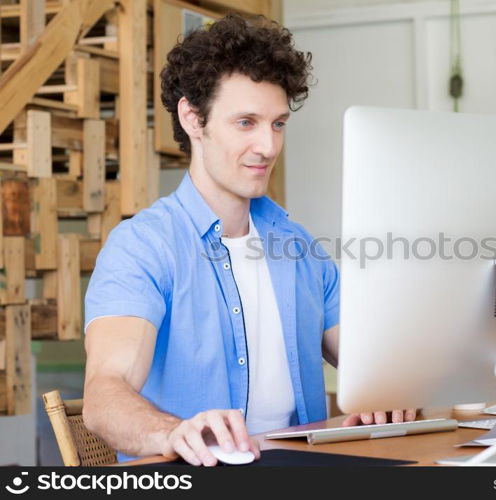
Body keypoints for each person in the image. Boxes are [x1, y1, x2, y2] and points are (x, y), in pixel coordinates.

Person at [82, 13, 415, 466]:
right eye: (246, 123)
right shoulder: (143, 248)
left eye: (278, 123)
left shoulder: (298, 248)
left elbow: (367, 364)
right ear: (193, 118)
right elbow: (104, 397)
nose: (268, 146)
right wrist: (174, 432)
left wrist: (387, 392)